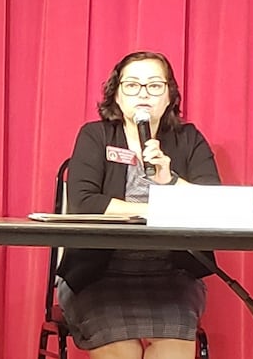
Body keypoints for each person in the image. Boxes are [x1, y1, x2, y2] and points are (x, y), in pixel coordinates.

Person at [56, 51, 220, 359]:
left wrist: (170, 181)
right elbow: (85, 203)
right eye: (132, 85)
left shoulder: (189, 139)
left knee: (171, 352)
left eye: (155, 85)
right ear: (116, 95)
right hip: (98, 274)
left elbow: (213, 204)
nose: (143, 93)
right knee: (124, 353)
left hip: (171, 274)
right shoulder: (95, 136)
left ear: (170, 95)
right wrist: (156, 212)